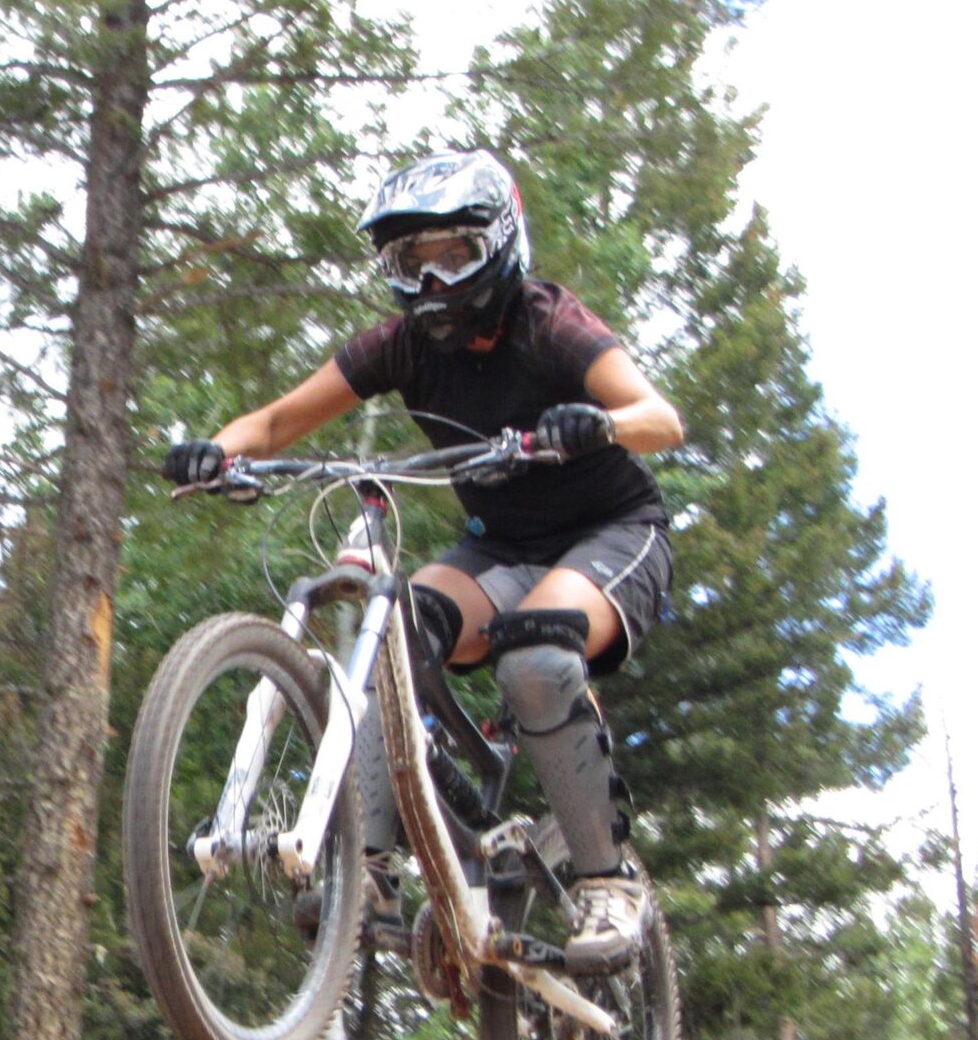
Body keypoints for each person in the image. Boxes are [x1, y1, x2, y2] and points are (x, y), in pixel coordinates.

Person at [160, 149, 684, 974]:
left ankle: (606, 880)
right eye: (413, 264)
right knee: (389, 632)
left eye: (457, 257)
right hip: (502, 547)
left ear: (504, 247)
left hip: (612, 531)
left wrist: (599, 423)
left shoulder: (549, 325)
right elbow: (274, 421)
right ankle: (370, 869)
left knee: (536, 656)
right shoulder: (401, 348)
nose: (434, 285)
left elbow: (662, 419)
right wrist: (216, 454)